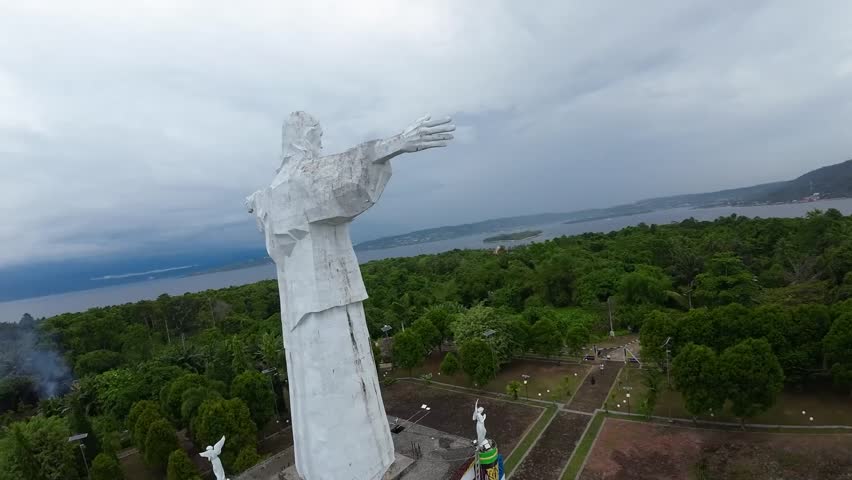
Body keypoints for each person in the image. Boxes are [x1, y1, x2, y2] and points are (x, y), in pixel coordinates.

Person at [247, 112, 455, 480]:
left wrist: (259, 203)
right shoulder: (297, 179)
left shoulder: (276, 189)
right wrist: (394, 145)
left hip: (306, 299)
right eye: (317, 134)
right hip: (326, 295)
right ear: (301, 137)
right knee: (339, 382)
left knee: (320, 385)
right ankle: (358, 467)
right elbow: (341, 179)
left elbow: (271, 210)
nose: (321, 142)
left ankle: (327, 468)